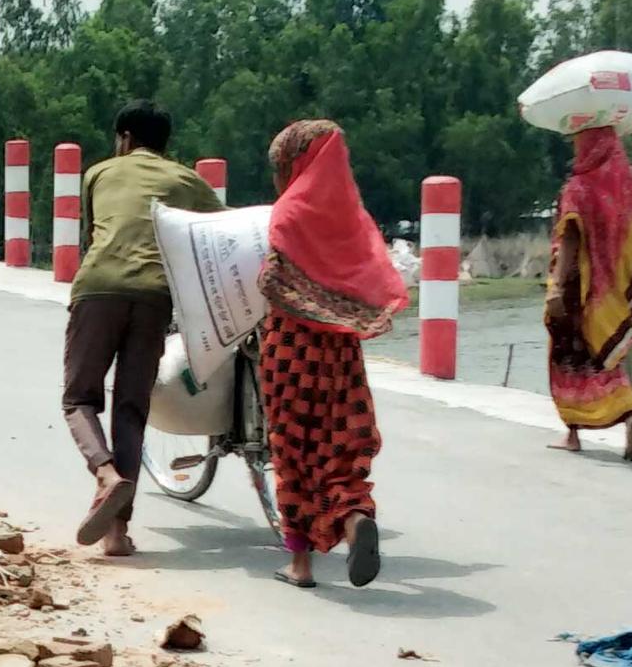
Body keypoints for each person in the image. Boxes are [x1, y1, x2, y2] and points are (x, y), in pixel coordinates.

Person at [252, 118, 407, 588]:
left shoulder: (289, 211)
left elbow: (272, 281)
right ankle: (354, 515)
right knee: (342, 443)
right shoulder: (354, 218)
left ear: (295, 161)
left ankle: (299, 564)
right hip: (342, 353)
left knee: (292, 448)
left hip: (292, 351)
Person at [62, 101, 217, 554]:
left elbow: (96, 235)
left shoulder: (99, 173)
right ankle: (117, 534)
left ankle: (106, 474)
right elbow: (222, 232)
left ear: (124, 138)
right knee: (130, 408)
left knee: (78, 397)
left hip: (98, 289)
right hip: (154, 297)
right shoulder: (187, 180)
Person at [545, 126, 632, 458]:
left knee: (569, 357)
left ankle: (573, 433)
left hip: (578, 288)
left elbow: (571, 241)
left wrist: (557, 289)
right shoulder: (622, 187)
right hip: (611, 288)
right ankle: (629, 414)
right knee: (605, 354)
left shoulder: (577, 189)